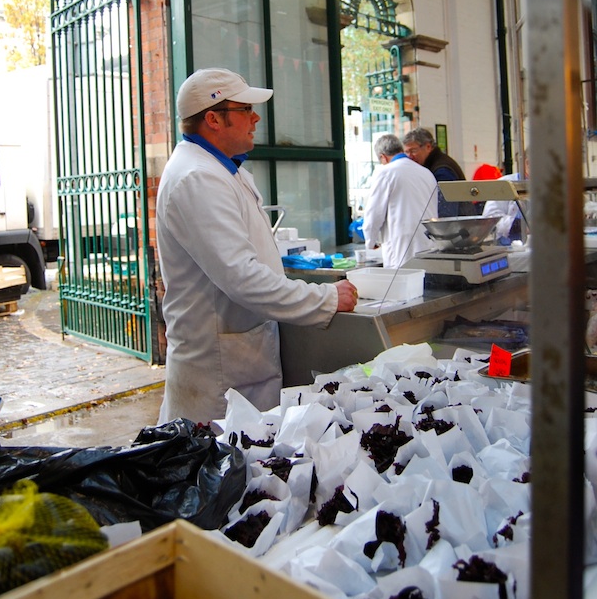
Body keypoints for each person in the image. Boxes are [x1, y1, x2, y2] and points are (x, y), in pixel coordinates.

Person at [155, 67, 358, 425]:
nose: (255, 117)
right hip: (218, 379)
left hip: (240, 363)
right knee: (223, 467)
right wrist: (324, 299)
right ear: (214, 119)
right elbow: (242, 278)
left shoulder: (224, 170)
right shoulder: (198, 178)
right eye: (244, 110)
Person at [362, 134, 438, 267]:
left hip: (402, 246)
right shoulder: (426, 172)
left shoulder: (386, 172)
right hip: (429, 242)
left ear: (383, 157)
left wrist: (370, 241)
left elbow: (374, 214)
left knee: (402, 283)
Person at [403, 126, 472, 217]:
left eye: (413, 151)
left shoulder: (442, 170)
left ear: (428, 146)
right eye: (407, 152)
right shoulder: (434, 164)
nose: (410, 156)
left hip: (455, 227)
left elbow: (446, 211)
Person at [482, 153, 529, 243]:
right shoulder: (504, 184)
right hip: (508, 249)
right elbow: (490, 218)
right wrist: (520, 226)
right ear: (528, 163)